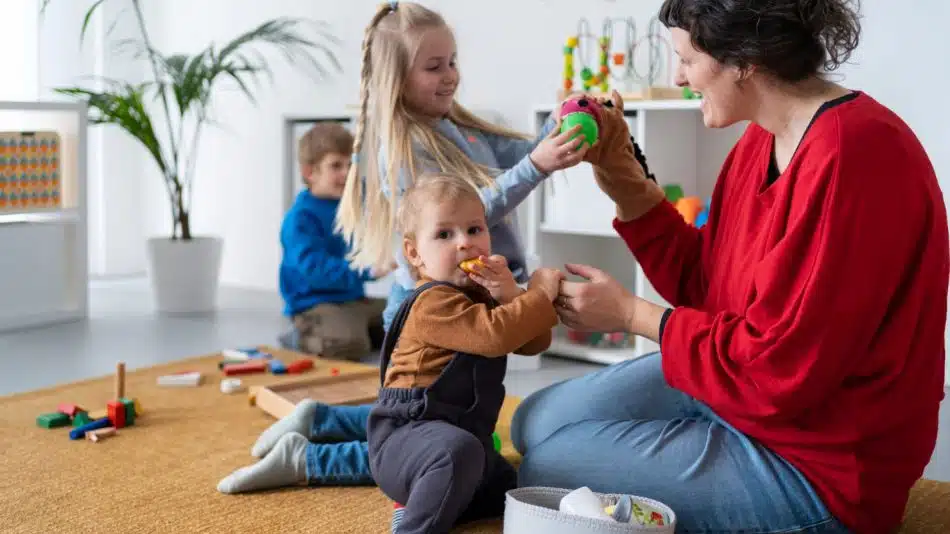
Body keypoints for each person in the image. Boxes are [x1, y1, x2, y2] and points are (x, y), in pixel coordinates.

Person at [511, 1, 949, 533]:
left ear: (745, 58)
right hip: (741, 397)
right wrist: (621, 172)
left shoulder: (854, 154)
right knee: (535, 422)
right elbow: (705, 283)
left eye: (687, 60)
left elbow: (778, 370)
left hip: (818, 464)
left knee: (546, 468)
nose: (676, 76)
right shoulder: (761, 138)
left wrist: (632, 316)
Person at [334, 0, 589, 333]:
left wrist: (558, 123)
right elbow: (463, 213)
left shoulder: (463, 129)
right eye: (434, 67)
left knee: (471, 381)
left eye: (452, 62)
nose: (450, 75)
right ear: (396, 79)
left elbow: (523, 155)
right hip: (428, 302)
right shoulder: (405, 150)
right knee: (419, 384)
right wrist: (536, 165)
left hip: (468, 290)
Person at [366, 173, 562, 533]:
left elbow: (534, 342)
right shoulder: (432, 302)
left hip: (463, 436)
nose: (465, 244)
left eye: (474, 230)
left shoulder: (480, 294)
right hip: (406, 437)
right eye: (444, 235)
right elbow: (495, 335)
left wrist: (509, 293)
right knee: (458, 455)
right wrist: (538, 295)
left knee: (509, 485)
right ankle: (410, 522)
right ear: (414, 253)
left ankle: (435, 496)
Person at [278, 122, 392, 361]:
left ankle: (362, 332)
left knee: (406, 318)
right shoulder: (300, 218)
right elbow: (316, 271)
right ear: (310, 173)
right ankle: (301, 334)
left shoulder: (346, 207)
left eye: (350, 165)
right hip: (316, 304)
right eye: (335, 166)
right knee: (348, 345)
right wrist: (367, 269)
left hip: (352, 300)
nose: (346, 173)